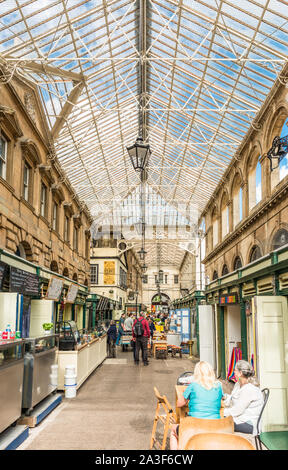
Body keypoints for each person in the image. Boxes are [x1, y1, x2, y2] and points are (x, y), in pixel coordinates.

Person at [170, 361, 223, 450]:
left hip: (195, 428)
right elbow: (220, 398)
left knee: (173, 430)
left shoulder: (193, 386)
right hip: (215, 428)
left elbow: (179, 404)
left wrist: (187, 397)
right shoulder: (218, 386)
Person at [223, 360, 264, 435]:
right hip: (240, 418)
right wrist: (224, 397)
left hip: (249, 423)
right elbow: (233, 398)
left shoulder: (249, 389)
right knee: (219, 420)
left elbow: (237, 411)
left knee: (220, 423)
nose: (233, 372)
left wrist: (221, 412)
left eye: (235, 370)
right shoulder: (238, 384)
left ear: (240, 373)